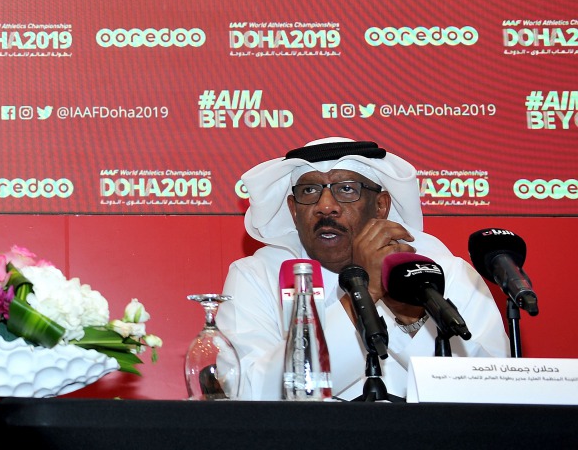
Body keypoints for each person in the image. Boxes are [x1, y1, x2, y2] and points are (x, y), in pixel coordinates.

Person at [218, 138, 509, 400]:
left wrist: (412, 320)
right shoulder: (257, 276)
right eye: (310, 190)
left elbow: (492, 390)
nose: (326, 206)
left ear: (381, 205)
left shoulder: (446, 273)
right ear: (294, 211)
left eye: (347, 189)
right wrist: (366, 292)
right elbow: (248, 391)